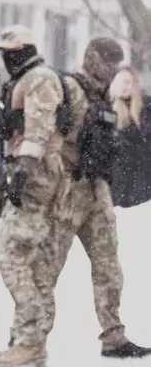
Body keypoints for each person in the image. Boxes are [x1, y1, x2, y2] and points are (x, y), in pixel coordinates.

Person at [54, 39, 151, 359]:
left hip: (98, 191)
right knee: (49, 266)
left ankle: (114, 336)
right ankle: (30, 336)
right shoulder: (68, 88)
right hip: (69, 190)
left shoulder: (105, 96)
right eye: (109, 64)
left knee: (109, 267)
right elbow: (51, 139)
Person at [0, 25, 67, 367]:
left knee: (14, 259)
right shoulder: (24, 78)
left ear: (26, 49)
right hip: (25, 172)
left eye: (11, 51)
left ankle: (31, 340)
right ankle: (29, 339)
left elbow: (39, 126)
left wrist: (23, 169)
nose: (7, 58)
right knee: (35, 265)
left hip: (35, 176)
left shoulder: (39, 78)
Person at [109, 66, 151, 208]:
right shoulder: (106, 110)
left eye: (127, 82)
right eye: (120, 81)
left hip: (143, 182)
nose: (124, 86)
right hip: (117, 185)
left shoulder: (146, 107)